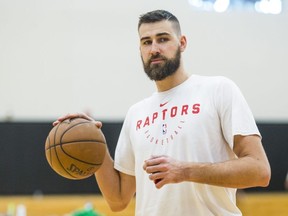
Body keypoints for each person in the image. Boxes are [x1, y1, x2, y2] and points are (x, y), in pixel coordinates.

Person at [53, 10, 271, 216]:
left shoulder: (219, 90)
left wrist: (184, 171)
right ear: (140, 50)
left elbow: (259, 170)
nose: (154, 48)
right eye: (146, 42)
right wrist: (92, 141)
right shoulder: (135, 113)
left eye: (163, 39)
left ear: (182, 43)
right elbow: (118, 200)